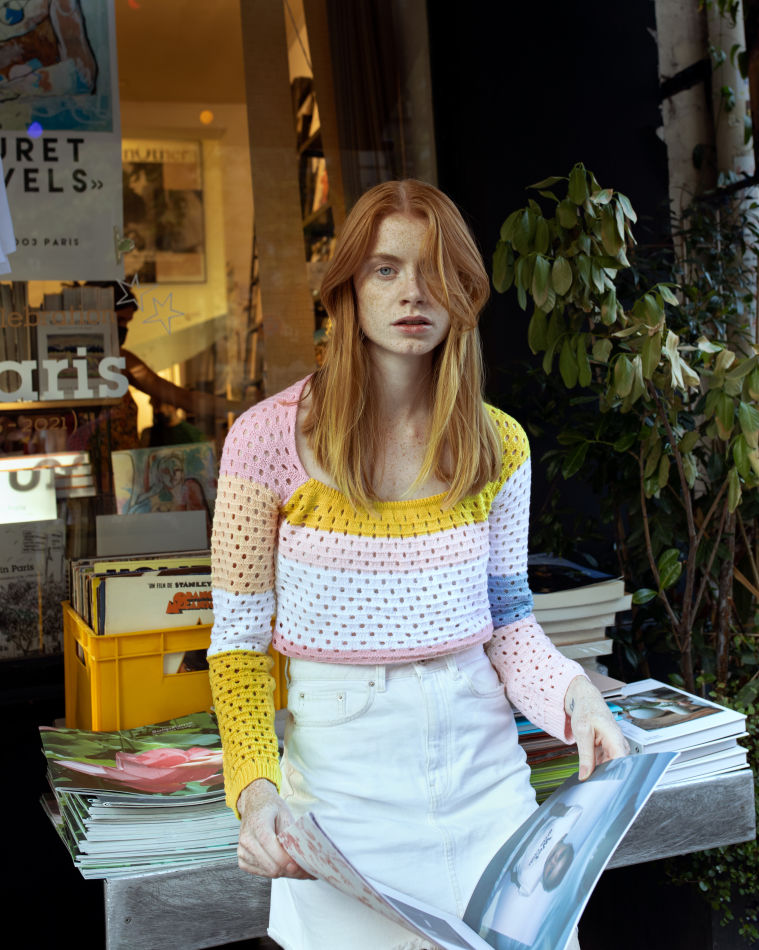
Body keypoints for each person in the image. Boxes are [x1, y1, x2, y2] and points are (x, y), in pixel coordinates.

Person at [208, 179, 628, 950]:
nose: (413, 292)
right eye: (386, 269)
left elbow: (509, 626)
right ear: (347, 289)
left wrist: (577, 698)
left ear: (463, 292)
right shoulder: (265, 440)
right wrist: (255, 793)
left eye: (435, 271)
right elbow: (237, 651)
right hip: (342, 802)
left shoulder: (497, 444)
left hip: (486, 789)